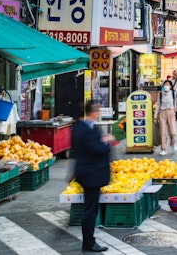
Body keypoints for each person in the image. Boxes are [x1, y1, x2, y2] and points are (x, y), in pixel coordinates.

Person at [72, 100, 113, 252]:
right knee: (90, 211)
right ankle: (88, 242)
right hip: (90, 175)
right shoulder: (85, 130)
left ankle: (88, 241)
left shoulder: (81, 127)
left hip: (88, 173)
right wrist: (106, 142)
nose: (99, 114)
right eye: (97, 111)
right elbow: (95, 149)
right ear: (92, 112)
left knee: (89, 208)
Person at [156, 78, 177, 155]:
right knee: (162, 132)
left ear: (170, 86)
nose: (166, 86)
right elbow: (158, 105)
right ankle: (163, 149)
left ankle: (173, 142)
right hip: (162, 112)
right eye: (165, 84)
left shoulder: (173, 93)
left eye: (168, 85)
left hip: (171, 112)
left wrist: (175, 108)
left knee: (172, 131)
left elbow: (175, 101)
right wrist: (155, 115)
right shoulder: (160, 94)